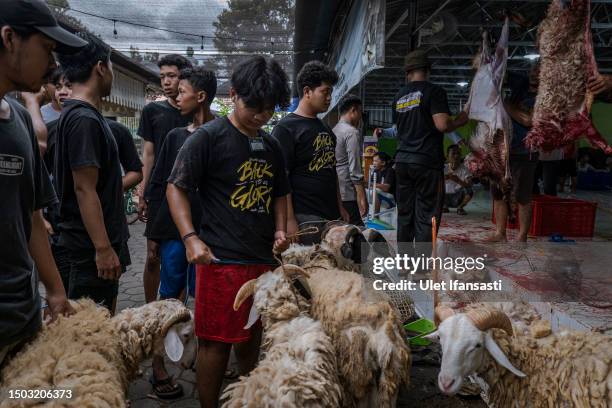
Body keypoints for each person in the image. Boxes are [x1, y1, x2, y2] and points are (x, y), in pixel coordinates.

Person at [166, 56, 291, 408]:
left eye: (269, 109)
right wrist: (191, 237)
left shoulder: (271, 146)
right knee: (215, 342)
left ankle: (247, 399)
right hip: (220, 260)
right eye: (254, 106)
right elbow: (175, 187)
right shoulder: (208, 138)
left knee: (251, 337)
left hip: (262, 261)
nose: (261, 115)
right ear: (233, 94)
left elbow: (280, 192)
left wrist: (281, 229)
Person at [0, 0, 86, 365]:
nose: (53, 65)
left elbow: (33, 214)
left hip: (22, 316)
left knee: (27, 397)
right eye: (47, 49)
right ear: (9, 39)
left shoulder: (19, 119)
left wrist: (54, 290)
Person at [54, 33, 127, 312]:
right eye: (111, 67)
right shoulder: (83, 119)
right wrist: (103, 248)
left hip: (87, 245)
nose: (111, 74)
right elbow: (84, 189)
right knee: (90, 332)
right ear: (100, 67)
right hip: (88, 249)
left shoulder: (79, 115)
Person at [391, 50, 468, 254]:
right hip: (426, 162)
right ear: (428, 70)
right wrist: (462, 118)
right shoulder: (434, 91)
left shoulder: (398, 97)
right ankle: (421, 269)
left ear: (408, 72)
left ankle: (405, 263)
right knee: (427, 214)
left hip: (402, 162)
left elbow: (399, 130)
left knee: (406, 213)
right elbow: (442, 124)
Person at [138, 55, 193, 312]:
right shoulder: (153, 111)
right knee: (152, 258)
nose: (166, 82)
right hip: (158, 193)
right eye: (162, 77)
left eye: (171, 76)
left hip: (186, 196)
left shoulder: (194, 113)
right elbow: (148, 154)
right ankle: (150, 311)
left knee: (178, 259)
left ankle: (174, 312)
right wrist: (143, 192)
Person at [271, 60, 349, 238]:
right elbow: (281, 178)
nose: (329, 98)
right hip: (304, 218)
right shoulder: (286, 128)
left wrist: (340, 206)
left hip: (332, 216)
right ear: (307, 92)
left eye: (330, 92)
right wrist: (289, 220)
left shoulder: (326, 128)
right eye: (325, 92)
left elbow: (332, 170)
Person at [490, 70, 539, 242]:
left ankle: (522, 236)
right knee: (498, 191)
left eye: (541, 70)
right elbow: (498, 70)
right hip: (502, 150)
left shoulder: (545, 96)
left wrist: (505, 105)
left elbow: (529, 120)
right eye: (534, 68)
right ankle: (500, 232)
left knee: (522, 195)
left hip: (526, 151)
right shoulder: (521, 82)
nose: (535, 72)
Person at [333, 94, 368, 225]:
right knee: (357, 234)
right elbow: (355, 169)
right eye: (360, 112)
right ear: (353, 110)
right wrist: (362, 197)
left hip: (336, 192)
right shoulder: (352, 132)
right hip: (348, 193)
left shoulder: (333, 130)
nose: (360, 117)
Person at [443, 144, 473, 215]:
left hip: (458, 197)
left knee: (469, 190)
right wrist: (442, 178)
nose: (456, 156)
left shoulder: (465, 169)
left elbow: (469, 184)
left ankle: (460, 207)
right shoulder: (443, 168)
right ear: (447, 156)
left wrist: (458, 180)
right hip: (444, 196)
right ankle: (444, 206)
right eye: (453, 154)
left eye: (458, 154)